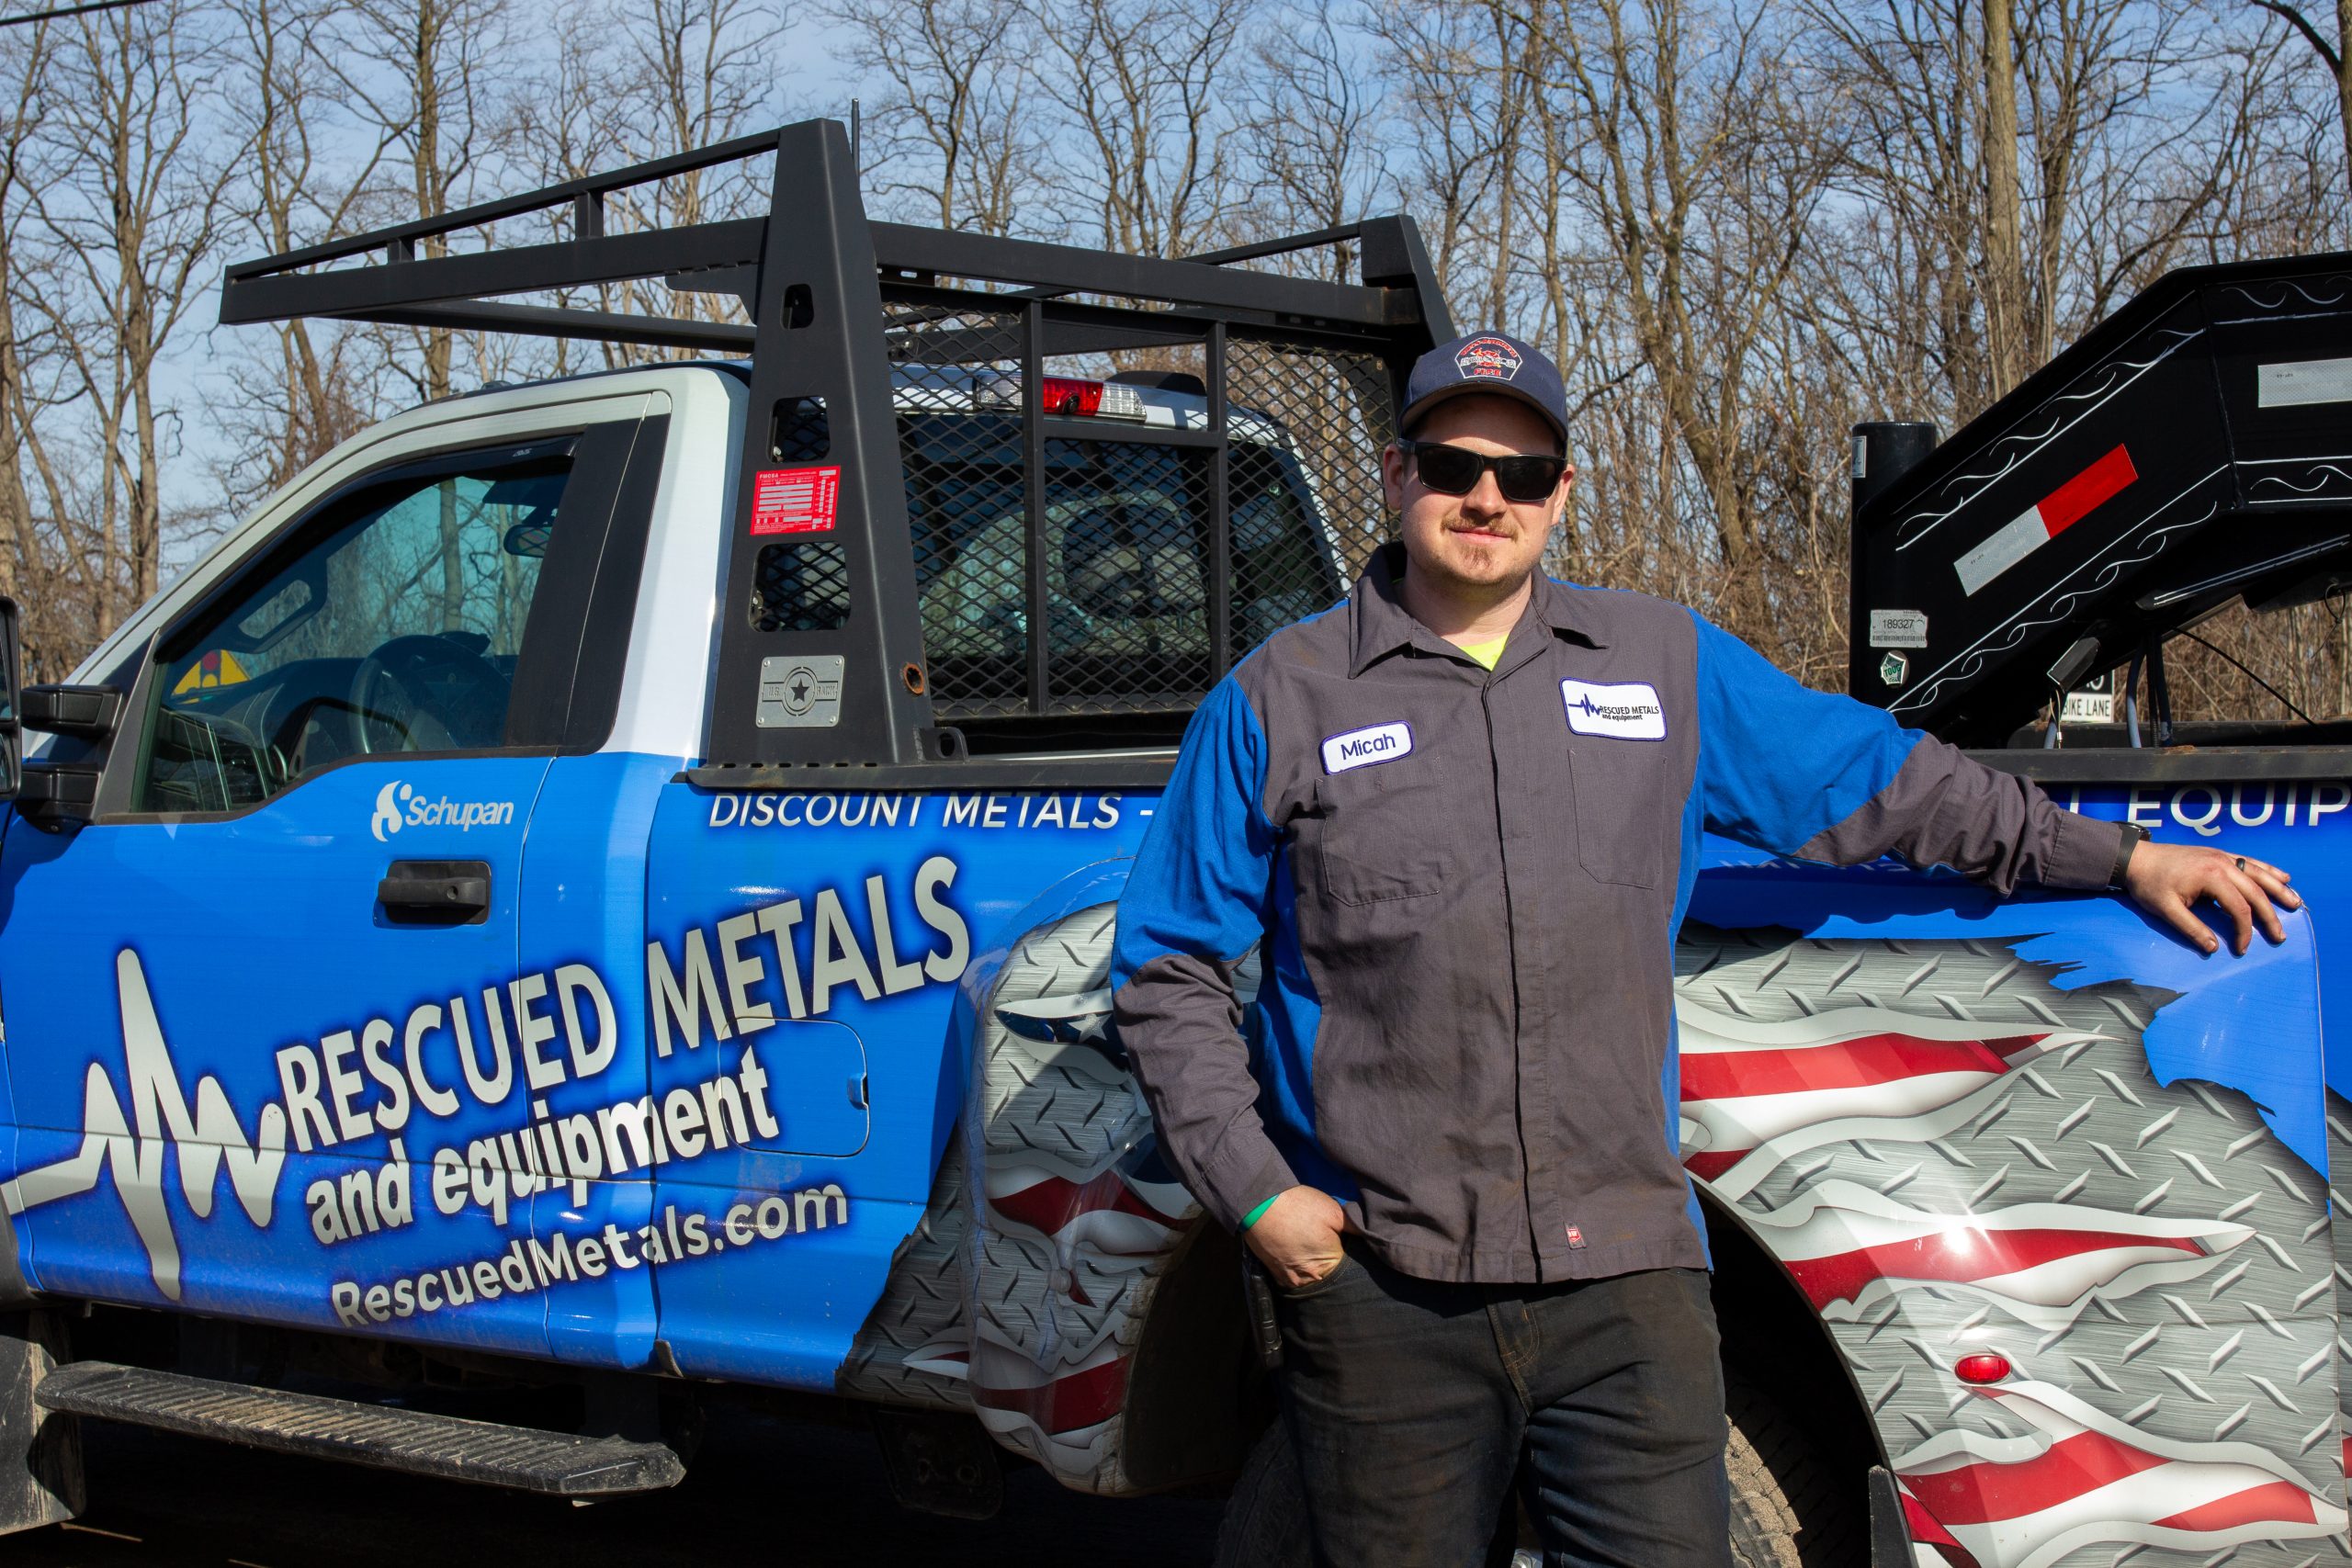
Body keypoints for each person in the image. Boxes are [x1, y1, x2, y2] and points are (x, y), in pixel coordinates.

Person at [1105, 330, 2301, 1568]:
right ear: (1400, 477)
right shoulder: (1277, 698)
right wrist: (1258, 1197)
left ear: (1563, 494)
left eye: (1522, 475)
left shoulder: (1660, 667)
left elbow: (1875, 779)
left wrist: (2119, 858)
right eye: (1453, 463)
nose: (1486, 499)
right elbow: (1166, 969)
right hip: (1388, 1288)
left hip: (1628, 1287)